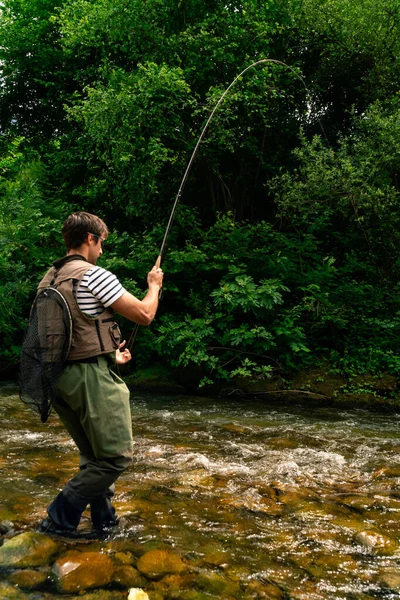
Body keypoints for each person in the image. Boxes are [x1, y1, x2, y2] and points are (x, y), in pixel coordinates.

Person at [38, 211, 163, 537]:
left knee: (94, 456)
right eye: (101, 243)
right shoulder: (94, 275)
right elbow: (145, 314)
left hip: (57, 380)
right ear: (90, 239)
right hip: (89, 379)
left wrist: (110, 355)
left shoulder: (49, 278)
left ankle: (104, 522)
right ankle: (59, 517)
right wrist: (154, 286)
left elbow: (69, 333)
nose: (102, 251)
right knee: (114, 457)